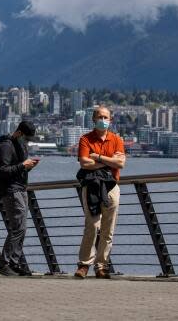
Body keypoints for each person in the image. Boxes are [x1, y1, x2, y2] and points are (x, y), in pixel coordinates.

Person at [74, 106, 126, 279]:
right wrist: (109, 162)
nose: (102, 120)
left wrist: (97, 157)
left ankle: (101, 265)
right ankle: (84, 264)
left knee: (108, 229)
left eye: (106, 117)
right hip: (91, 186)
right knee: (92, 225)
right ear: (93, 119)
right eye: (99, 117)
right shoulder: (85, 139)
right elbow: (84, 163)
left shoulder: (116, 139)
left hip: (112, 187)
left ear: (110, 120)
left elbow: (120, 164)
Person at [0, 121, 40, 276]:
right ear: (19, 133)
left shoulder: (20, 146)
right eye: (26, 138)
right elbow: (1, 170)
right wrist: (22, 166)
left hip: (21, 189)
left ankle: (14, 262)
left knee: (22, 228)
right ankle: (3, 264)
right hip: (11, 191)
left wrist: (28, 166)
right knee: (18, 228)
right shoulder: (6, 146)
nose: (27, 142)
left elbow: (17, 168)